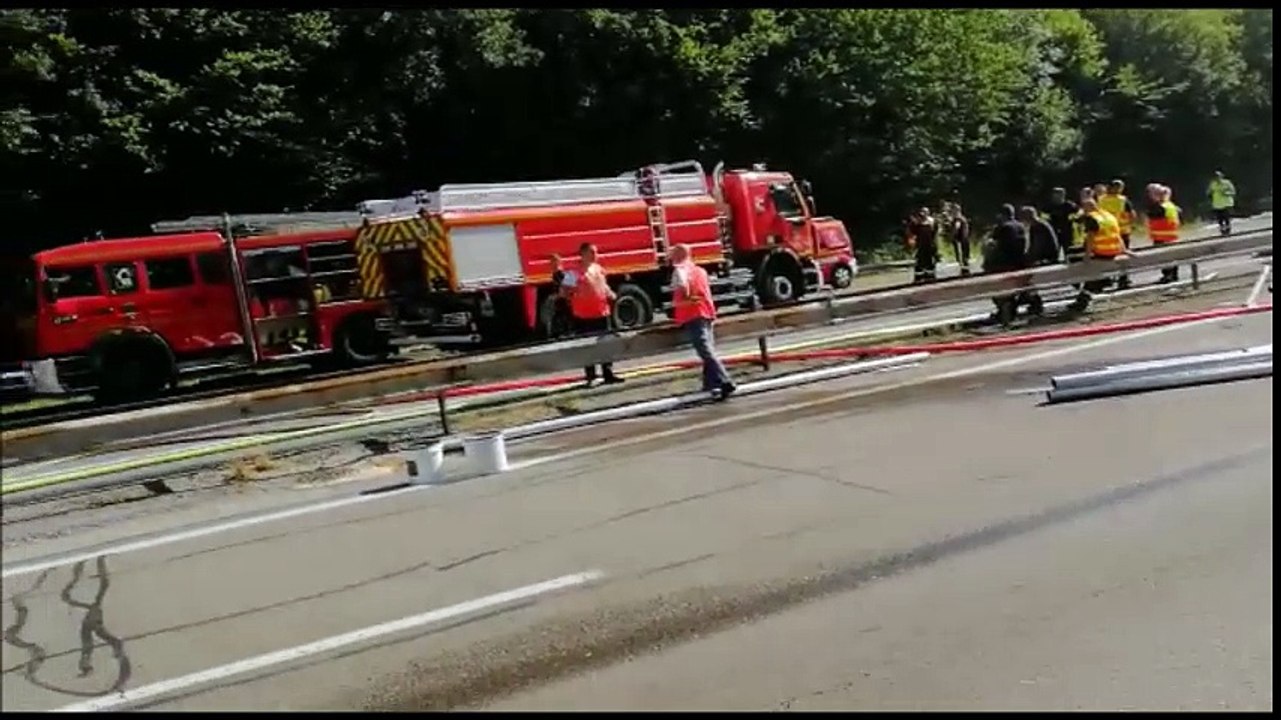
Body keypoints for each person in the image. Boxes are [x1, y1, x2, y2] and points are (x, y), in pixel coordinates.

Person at [668, 243, 735, 400]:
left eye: (672, 254)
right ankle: (710, 383)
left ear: (678, 255)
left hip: (692, 314)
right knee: (708, 349)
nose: (670, 257)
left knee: (705, 350)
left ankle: (725, 380)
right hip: (706, 312)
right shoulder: (700, 271)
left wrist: (685, 296)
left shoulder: (680, 270)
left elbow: (684, 287)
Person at [563, 242, 623, 386]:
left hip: (602, 312)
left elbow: (604, 285)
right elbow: (564, 291)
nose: (595, 255)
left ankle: (608, 373)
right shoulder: (573, 272)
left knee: (606, 345)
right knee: (588, 346)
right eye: (592, 252)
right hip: (583, 315)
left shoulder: (598, 269)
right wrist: (574, 293)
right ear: (582, 254)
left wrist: (610, 294)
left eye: (596, 252)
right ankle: (591, 376)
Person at [1068, 196, 1128, 310]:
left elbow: (1090, 238)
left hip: (1101, 252)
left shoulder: (1092, 218)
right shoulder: (1108, 216)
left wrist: (1087, 255)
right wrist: (1124, 250)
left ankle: (1078, 286)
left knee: (1073, 257)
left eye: (1084, 208)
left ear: (1087, 208)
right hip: (1113, 251)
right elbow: (1117, 234)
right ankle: (1092, 289)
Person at [984, 204, 1031, 325]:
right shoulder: (1020, 226)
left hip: (1004, 265)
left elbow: (993, 245)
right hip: (1019, 263)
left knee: (995, 288)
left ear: (1001, 215)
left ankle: (1004, 311)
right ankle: (1012, 308)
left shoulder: (1003, 228)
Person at [1098, 179, 1135, 289]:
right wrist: (1129, 224)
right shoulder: (1123, 200)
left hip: (1107, 232)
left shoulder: (1101, 199)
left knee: (1105, 255)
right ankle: (1123, 279)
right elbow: (1132, 215)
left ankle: (1106, 279)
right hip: (1121, 231)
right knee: (1123, 256)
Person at [1146, 183, 1182, 283]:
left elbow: (1151, 215)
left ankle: (1168, 276)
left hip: (1161, 237)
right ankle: (1173, 275)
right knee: (1172, 257)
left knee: (1163, 258)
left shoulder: (1159, 207)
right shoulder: (1170, 205)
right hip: (1172, 236)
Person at [1042, 187, 1078, 263]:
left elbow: (1077, 214)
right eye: (1055, 194)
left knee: (1068, 247)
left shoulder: (1069, 205)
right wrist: (1048, 219)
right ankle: (1053, 261)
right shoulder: (1049, 206)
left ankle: (1069, 261)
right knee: (1053, 247)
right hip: (1053, 230)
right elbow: (1043, 216)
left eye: (1060, 194)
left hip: (1067, 229)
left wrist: (1072, 218)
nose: (1057, 196)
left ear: (1064, 195)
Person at [905, 207, 940, 283]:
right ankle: (918, 277)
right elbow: (910, 232)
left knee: (930, 260)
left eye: (925, 213)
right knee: (919, 261)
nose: (923, 215)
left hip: (929, 244)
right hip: (920, 245)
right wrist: (911, 241)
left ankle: (930, 276)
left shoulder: (932, 222)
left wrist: (935, 245)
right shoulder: (916, 223)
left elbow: (935, 233)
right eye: (922, 213)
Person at [943, 202, 972, 276]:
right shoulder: (963, 218)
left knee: (960, 255)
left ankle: (963, 271)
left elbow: (957, 227)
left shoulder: (958, 219)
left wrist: (952, 235)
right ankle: (965, 269)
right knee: (965, 255)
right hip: (965, 239)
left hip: (959, 240)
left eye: (953, 210)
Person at [1207, 170, 1236, 236]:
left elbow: (1233, 192)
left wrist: (1226, 193)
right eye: (1216, 177)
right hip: (1217, 204)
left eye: (1218, 176)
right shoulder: (1213, 184)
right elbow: (1209, 192)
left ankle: (1228, 230)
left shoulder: (1227, 183)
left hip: (1226, 204)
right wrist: (1209, 192)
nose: (1217, 178)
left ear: (1221, 176)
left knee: (1226, 218)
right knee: (1220, 219)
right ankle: (1222, 231)